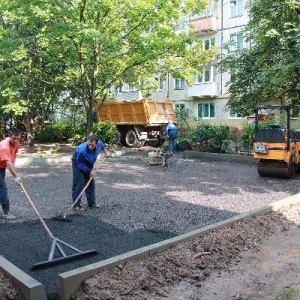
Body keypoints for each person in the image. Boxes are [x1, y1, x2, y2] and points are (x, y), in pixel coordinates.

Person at [71, 135, 110, 211]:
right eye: (89, 144)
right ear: (87, 142)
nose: (90, 146)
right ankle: (76, 205)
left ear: (96, 144)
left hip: (88, 163)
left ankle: (92, 203)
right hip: (78, 162)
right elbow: (80, 164)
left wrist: (106, 151)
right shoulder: (82, 150)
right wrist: (89, 171)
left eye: (92, 145)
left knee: (90, 182)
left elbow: (102, 146)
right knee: (80, 183)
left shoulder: (99, 144)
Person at [0, 128, 23, 220]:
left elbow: (13, 156)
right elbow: (8, 163)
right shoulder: (4, 147)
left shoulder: (16, 143)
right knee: (2, 188)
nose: (16, 141)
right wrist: (16, 176)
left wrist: (14, 168)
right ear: (9, 136)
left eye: (18, 139)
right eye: (14, 138)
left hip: (1, 167)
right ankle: (6, 213)